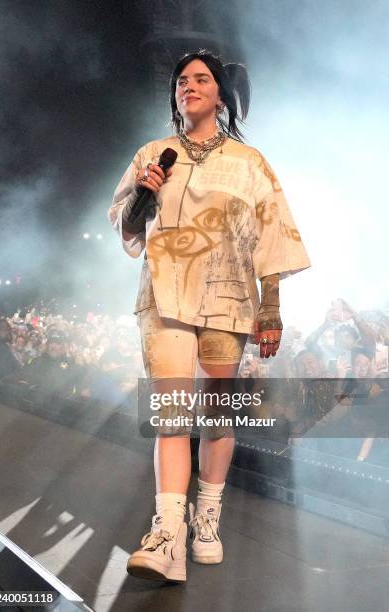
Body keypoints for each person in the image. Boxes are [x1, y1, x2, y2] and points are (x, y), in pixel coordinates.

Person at [108, 50, 311, 583]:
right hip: (165, 295)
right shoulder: (153, 154)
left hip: (227, 297)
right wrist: (145, 194)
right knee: (173, 411)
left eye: (201, 79)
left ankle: (207, 518)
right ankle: (167, 534)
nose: (188, 86)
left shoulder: (250, 163)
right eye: (181, 81)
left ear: (221, 95)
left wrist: (271, 308)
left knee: (218, 412)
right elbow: (127, 227)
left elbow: (274, 234)